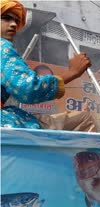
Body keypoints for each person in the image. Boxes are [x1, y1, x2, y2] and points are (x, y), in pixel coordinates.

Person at [1, 0, 91, 129]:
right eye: (6, 18)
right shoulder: (2, 48)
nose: (14, 24)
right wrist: (72, 73)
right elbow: (27, 88)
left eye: (16, 20)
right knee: (84, 120)